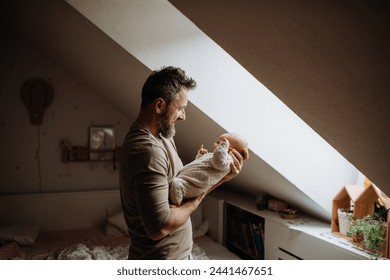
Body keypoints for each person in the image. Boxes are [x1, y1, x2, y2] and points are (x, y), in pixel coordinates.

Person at [119, 66, 245, 260]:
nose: (184, 117)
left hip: (180, 255)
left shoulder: (162, 135)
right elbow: (160, 228)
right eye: (180, 109)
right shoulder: (147, 150)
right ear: (159, 105)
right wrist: (200, 196)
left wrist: (209, 171)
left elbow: (178, 186)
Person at [170, 132, 249, 206]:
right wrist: (201, 155)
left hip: (193, 185)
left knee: (176, 184)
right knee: (175, 183)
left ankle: (176, 203)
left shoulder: (226, 162)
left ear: (228, 150)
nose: (214, 144)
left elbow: (218, 162)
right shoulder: (213, 156)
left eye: (219, 143)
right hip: (187, 178)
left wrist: (223, 147)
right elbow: (200, 163)